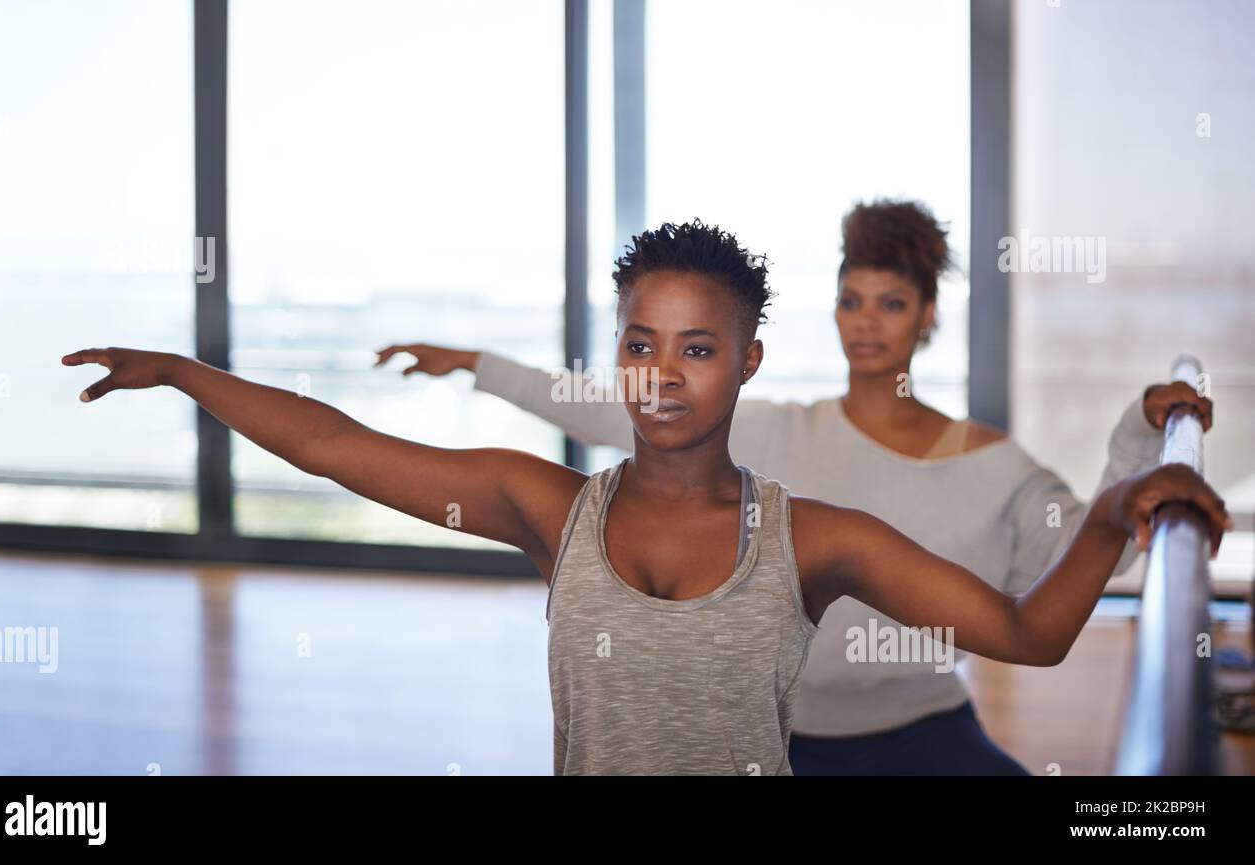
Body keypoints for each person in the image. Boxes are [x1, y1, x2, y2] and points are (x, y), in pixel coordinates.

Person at [63, 220, 1230, 776]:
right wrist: (181, 371)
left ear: (748, 363)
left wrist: (1115, 507)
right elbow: (331, 444)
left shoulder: (818, 538)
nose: (662, 375)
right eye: (639, 343)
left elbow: (1030, 632)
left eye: (699, 348)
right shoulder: (544, 506)